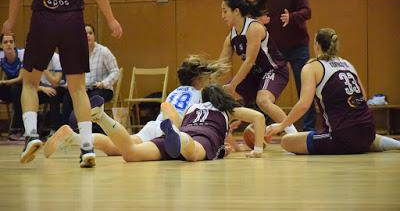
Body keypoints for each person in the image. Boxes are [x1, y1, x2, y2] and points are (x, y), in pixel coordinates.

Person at [1, 0, 123, 167]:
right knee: (78, 88)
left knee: (29, 83)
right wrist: (111, 19)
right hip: (72, 20)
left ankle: (31, 134)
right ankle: (87, 147)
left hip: (42, 20)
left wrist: (10, 20)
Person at [43, 55, 230, 157]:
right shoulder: (199, 96)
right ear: (199, 79)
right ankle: (84, 130)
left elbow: (167, 106)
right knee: (126, 150)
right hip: (168, 129)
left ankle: (75, 138)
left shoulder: (175, 92)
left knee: (115, 148)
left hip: (154, 126)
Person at [265, 28, 400, 154]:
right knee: (360, 137)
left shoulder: (312, 67)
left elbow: (304, 105)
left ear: (316, 45)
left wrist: (281, 125)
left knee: (287, 142)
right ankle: (396, 145)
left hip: (342, 135)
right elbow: (363, 98)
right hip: (368, 131)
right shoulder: (347, 64)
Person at [79, 85, 266, 163]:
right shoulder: (227, 110)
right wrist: (257, 149)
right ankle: (180, 137)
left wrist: (173, 123)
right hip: (203, 137)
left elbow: (177, 118)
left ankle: (102, 117)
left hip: (184, 128)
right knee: (192, 154)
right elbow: (258, 117)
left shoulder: (193, 107)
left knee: (130, 154)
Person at [219, 0, 297, 134]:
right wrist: (203, 79)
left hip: (274, 70)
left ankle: (294, 134)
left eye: (225, 11)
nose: (222, 16)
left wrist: (233, 85)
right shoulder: (230, 37)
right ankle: (224, 136)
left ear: (236, 11)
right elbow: (220, 66)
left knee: (263, 100)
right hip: (255, 75)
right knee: (222, 96)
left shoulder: (254, 28)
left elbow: (249, 62)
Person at [254, 0, 316, 131]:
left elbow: (307, 11)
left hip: (298, 48)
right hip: (275, 50)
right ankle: (264, 128)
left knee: (304, 89)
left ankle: (308, 129)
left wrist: (293, 16)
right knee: (267, 89)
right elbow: (250, 15)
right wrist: (258, 19)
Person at [62, 24, 120, 133]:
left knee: (94, 97)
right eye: (84, 34)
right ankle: (69, 130)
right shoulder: (76, 53)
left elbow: (115, 72)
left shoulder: (104, 51)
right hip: (83, 89)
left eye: (90, 33)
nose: (88, 36)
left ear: (94, 36)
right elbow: (72, 73)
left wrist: (103, 83)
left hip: (101, 89)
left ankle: (94, 130)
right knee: (67, 96)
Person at [0, 34, 24, 140]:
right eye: (5, 42)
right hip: (8, 87)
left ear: (14, 44)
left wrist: (5, 82)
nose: (8, 44)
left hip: (22, 87)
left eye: (11, 41)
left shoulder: (22, 54)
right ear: (1, 45)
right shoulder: (1, 56)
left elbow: (21, 78)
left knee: (16, 88)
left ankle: (17, 128)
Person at [37, 52, 65, 136]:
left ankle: (54, 129)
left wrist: (44, 68)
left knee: (54, 93)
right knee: (25, 93)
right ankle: (27, 129)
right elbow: (28, 84)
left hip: (58, 87)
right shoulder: (33, 58)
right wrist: (42, 88)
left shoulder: (56, 58)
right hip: (42, 88)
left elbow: (55, 82)